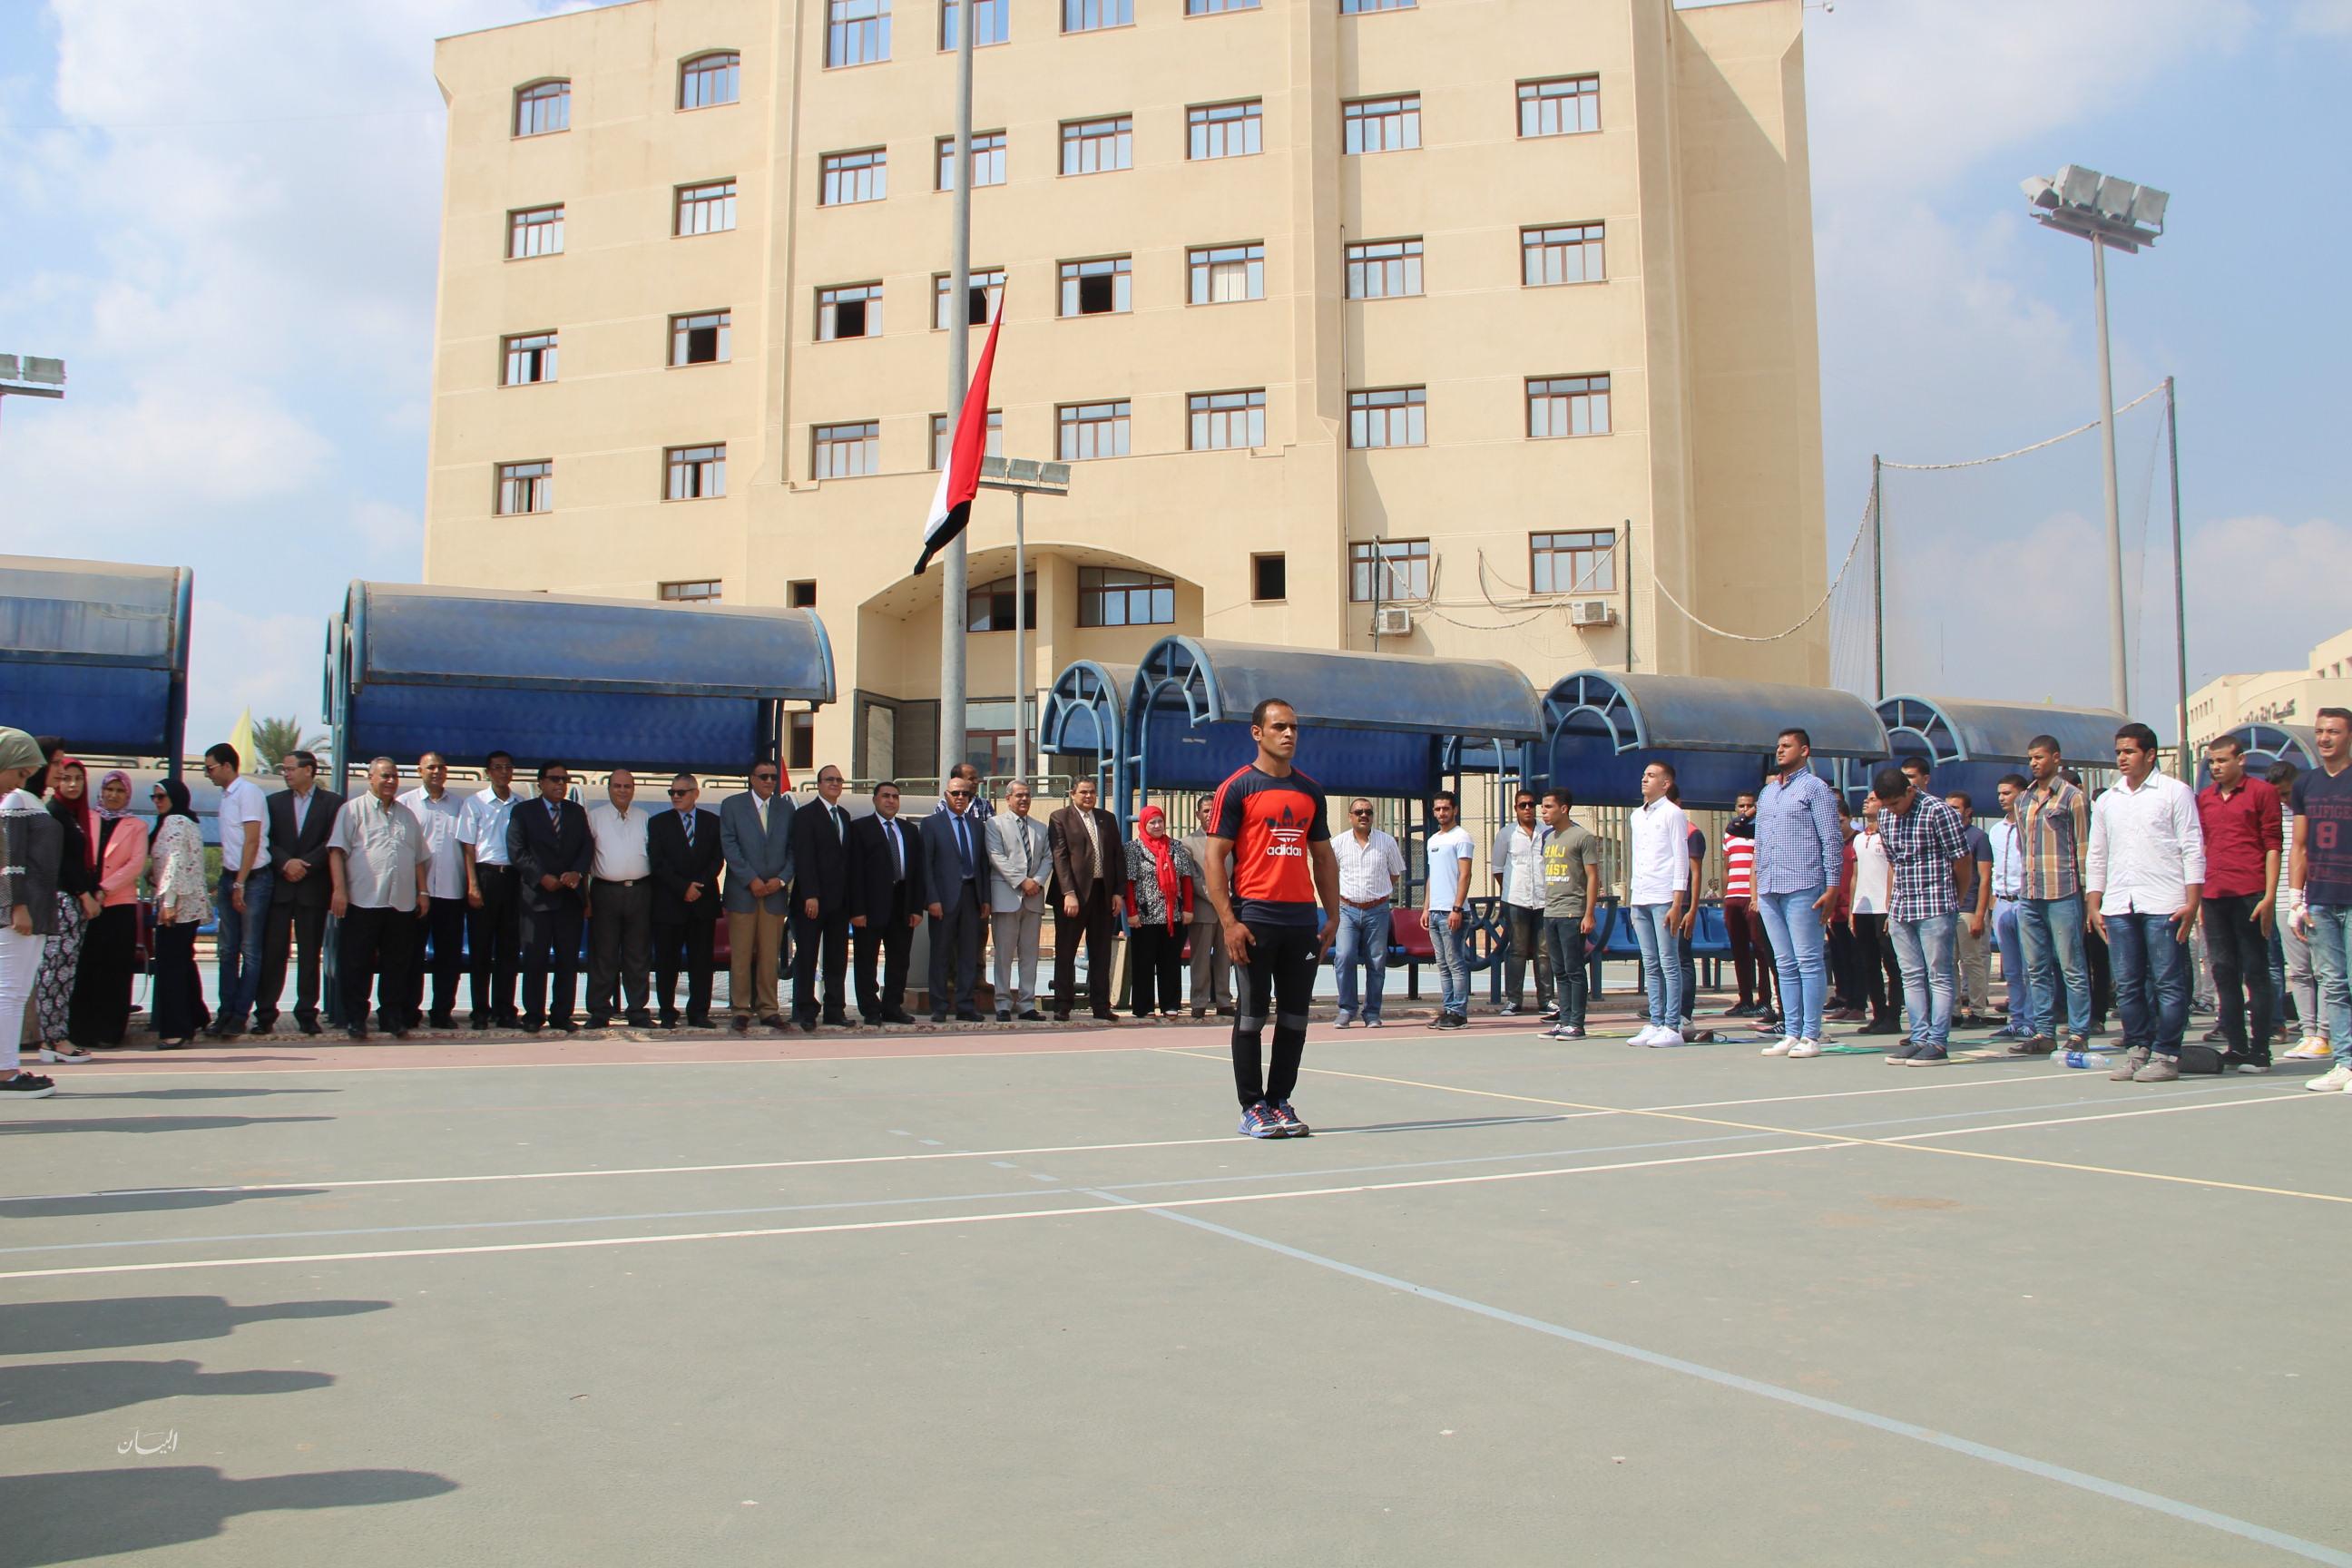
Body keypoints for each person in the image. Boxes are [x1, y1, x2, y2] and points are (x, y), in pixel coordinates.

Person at [1205, 698, 1339, 1139]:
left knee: (1296, 1018)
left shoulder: (1310, 791)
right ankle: (1252, 1107)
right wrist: (1229, 922)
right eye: (1279, 726)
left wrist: (1333, 914)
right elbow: (1214, 858)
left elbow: (1323, 858)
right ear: (1257, 733)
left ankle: (1280, 1101)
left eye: (1294, 727)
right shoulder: (1237, 788)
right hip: (1254, 918)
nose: (1289, 734)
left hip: (1300, 921)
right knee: (1252, 1016)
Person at [2087, 723, 2206, 1083]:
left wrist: (2193, 901)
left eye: (2130, 751)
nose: (2122, 758)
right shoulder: (2108, 800)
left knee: (2168, 982)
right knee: (2127, 984)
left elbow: (2192, 846)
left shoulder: (2174, 792)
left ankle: (2166, 1053)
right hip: (2119, 904)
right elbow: (2097, 853)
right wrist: (2094, 902)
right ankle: (2138, 1049)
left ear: (2150, 755)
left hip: (2164, 902)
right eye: (2118, 752)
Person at [1752, 727, 1845, 1058]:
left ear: (1804, 750)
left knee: (1808, 960)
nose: (1780, 750)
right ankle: (1791, 1031)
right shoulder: (1767, 793)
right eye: (1778, 746)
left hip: (1804, 882)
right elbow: (1759, 842)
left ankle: (1811, 1034)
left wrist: (1832, 885)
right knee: (1784, 962)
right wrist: (1757, 885)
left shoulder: (1815, 789)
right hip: (1770, 885)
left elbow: (1831, 838)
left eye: (1787, 746)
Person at [327, 757, 432, 1042]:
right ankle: (356, 1019)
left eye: (394, 776)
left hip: (401, 902)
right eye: (385, 775)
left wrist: (423, 892)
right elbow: (336, 852)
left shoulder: (407, 815)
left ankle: (392, 1017)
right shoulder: (352, 810)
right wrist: (339, 890)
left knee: (397, 963)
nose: (391, 781)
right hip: (363, 900)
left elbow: (419, 858)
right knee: (357, 962)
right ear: (370, 777)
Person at [1871, 766, 1969, 1065]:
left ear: (1910, 791)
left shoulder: (1938, 811)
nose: (1892, 810)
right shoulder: (1885, 816)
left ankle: (1938, 1041)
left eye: (1896, 803)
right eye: (1886, 805)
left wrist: (1957, 898)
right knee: (1910, 975)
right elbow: (1893, 863)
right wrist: (1890, 905)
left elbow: (1962, 860)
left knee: (1938, 974)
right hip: (1902, 905)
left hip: (1935, 903)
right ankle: (1918, 1037)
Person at [2197, 736, 2281, 1073]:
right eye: (2212, 762)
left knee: (2256, 971)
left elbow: (2272, 845)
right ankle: (2236, 1044)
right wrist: (2198, 898)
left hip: (2250, 893)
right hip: (2214, 894)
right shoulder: (2205, 798)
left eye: (2222, 760)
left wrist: (2269, 896)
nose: (2216, 767)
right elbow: (2202, 846)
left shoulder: (2262, 792)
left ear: (2240, 759)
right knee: (2222, 971)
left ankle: (2260, 1050)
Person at [2010, 736, 2094, 1056]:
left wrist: (2087, 895)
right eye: (2030, 757)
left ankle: (2079, 1032)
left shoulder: (2073, 797)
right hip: (2030, 892)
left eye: (2040, 757)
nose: (2034, 763)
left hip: (2063, 891)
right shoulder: (2023, 800)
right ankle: (2044, 1031)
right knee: (2036, 967)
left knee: (2072, 965)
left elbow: (2083, 846)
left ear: (2056, 758)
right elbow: (2022, 845)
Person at [62, 769, 148, 1054]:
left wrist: (104, 888)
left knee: (115, 968)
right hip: (86, 902)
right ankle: (81, 1030)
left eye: (120, 791)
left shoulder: (136, 826)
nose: (113, 795)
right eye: (109, 790)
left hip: (118, 904)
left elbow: (135, 865)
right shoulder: (86, 818)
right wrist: (87, 891)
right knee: (86, 966)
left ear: (127, 795)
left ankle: (110, 1031)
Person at [255, 749, 340, 1037]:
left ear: (309, 770)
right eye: (284, 769)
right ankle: (265, 1013)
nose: (286, 774)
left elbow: (332, 842)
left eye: (291, 769)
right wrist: (285, 863)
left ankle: (306, 1013)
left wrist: (306, 865)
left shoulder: (332, 803)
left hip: (313, 888)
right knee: (273, 953)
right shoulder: (273, 803)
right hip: (280, 888)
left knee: (309, 954)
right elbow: (266, 839)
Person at [2290, 706, 2352, 1094]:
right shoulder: (2306, 784)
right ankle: (2345, 1063)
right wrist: (2296, 899)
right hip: (2321, 898)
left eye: (2334, 731)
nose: (2325, 738)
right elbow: (2299, 845)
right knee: (2333, 984)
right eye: (2320, 731)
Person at [1, 730, 63, 1097]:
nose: (61, 771)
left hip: (35, 907)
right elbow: (11, 859)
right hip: (19, 911)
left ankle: (7, 1067)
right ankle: (5, 1071)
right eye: (55, 763)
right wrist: (18, 905)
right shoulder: (15, 802)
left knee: (16, 990)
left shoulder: (29, 801)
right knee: (9, 990)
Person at [509, 761, 592, 1034]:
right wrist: (541, 876)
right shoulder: (524, 811)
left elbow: (587, 847)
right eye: (554, 779)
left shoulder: (576, 811)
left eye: (564, 779)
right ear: (541, 782)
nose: (560, 784)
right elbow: (517, 851)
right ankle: (534, 1014)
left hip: (569, 898)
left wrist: (577, 872)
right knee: (535, 959)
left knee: (567, 960)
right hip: (537, 898)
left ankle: (561, 1014)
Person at [201, 742, 271, 1039]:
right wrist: (229, 880)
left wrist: (240, 882)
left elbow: (252, 841)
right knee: (227, 950)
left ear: (228, 765)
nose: (208, 774)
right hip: (230, 876)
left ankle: (240, 1014)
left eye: (210, 768)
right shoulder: (226, 796)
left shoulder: (248, 793)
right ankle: (225, 1011)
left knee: (250, 950)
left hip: (253, 879)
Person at [720, 760, 795, 1032]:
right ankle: (741, 1009)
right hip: (743, 892)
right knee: (740, 955)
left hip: (774, 894)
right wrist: (750, 879)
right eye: (764, 776)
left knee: (769, 956)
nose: (769, 781)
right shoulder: (732, 805)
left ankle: (768, 1009)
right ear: (752, 778)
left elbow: (793, 849)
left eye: (773, 777)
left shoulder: (786, 808)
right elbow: (729, 844)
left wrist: (781, 879)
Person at [33, 757, 99, 1059]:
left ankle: (57, 1036)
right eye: (66, 778)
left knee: (65, 971)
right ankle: (53, 1039)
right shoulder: (55, 813)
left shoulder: (74, 815)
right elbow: (61, 862)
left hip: (72, 900)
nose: (72, 785)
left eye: (78, 779)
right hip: (61, 900)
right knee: (55, 970)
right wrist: (84, 894)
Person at [397, 753, 467, 1031]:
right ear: (420, 771)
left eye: (441, 767)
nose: (436, 772)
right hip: (417, 894)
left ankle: (442, 1012)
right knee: (411, 956)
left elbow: (467, 848)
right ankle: (408, 1011)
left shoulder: (460, 806)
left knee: (448, 958)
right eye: (431, 767)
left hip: (452, 891)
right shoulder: (406, 804)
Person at [1047, 777, 1126, 1023]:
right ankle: (1063, 1005)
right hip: (1073, 895)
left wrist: (1118, 892)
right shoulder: (1060, 818)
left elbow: (1117, 855)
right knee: (1066, 951)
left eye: (1092, 792)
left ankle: (1101, 1005)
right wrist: (1068, 892)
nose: (1089, 796)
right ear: (1073, 794)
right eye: (1083, 792)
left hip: (1103, 893)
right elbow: (1060, 858)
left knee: (1101, 953)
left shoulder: (1107, 819)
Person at [648, 773, 723, 1029]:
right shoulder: (658, 823)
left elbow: (717, 859)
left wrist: (697, 885)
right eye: (672, 792)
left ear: (695, 793)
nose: (676, 797)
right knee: (667, 962)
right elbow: (658, 862)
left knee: (701, 962)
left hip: (702, 902)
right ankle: (668, 1013)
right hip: (670, 903)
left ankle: (699, 1012)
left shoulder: (712, 822)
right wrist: (683, 888)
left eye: (681, 792)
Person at [846, 781, 925, 1025]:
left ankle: (892, 1007)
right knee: (866, 960)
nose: (891, 801)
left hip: (902, 904)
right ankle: (870, 1009)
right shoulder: (860, 828)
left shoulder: (909, 831)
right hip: (870, 905)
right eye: (885, 796)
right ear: (875, 800)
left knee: (899, 960)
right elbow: (854, 872)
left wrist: (916, 908)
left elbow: (917, 872)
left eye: (895, 796)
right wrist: (857, 910)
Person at [583, 769, 655, 1029]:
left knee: (638, 955)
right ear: (609, 788)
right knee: (604, 954)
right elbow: (585, 859)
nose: (622, 790)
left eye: (627, 786)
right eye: (617, 786)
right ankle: (600, 1011)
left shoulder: (644, 817)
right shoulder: (594, 817)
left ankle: (637, 1010)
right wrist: (586, 898)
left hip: (639, 892)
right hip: (605, 892)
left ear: (634, 789)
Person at [458, 750, 525, 1031]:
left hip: (512, 878)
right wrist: (472, 884)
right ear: (488, 772)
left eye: (508, 767)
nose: (503, 772)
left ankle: (504, 1008)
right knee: (481, 949)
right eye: (497, 768)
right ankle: (480, 1010)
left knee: (509, 949)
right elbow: (468, 847)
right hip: (485, 876)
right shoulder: (475, 803)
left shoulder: (521, 804)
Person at [1625, 761, 1690, 1048]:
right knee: (1650, 963)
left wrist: (1677, 903)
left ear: (1665, 784)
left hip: (1664, 896)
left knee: (1668, 962)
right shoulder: (1636, 816)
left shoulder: (1673, 814)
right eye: (1644, 774)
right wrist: (1632, 897)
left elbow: (1681, 858)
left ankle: (1672, 1026)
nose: (1644, 779)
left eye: (1651, 776)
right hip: (1640, 896)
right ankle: (1655, 1021)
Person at [789, 765, 856, 1031]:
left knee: (837, 958)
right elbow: (804, 857)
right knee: (807, 957)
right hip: (811, 901)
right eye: (830, 779)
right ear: (819, 784)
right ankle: (805, 1010)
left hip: (839, 901)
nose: (835, 783)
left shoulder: (844, 816)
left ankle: (834, 1010)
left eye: (839, 780)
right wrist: (811, 894)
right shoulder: (805, 815)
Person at [2273, 760, 2330, 1062]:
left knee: (2325, 972)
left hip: (2316, 898)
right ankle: (2309, 1032)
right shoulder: (2275, 815)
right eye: (2279, 795)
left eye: (2287, 793)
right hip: (2285, 901)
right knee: (2299, 972)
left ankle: (2325, 1033)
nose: (2285, 800)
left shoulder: (2315, 810)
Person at [146, 778, 210, 1047]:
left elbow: (175, 861)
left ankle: (177, 1029)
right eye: (154, 797)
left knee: (170, 966)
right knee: (183, 962)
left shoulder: (174, 822)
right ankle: (195, 1016)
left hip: (178, 906)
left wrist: (169, 902)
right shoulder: (187, 821)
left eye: (162, 797)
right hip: (189, 905)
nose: (157, 802)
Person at [1332, 796, 1406, 1027]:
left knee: (1376, 962)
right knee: (1344, 957)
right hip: (1347, 910)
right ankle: (1347, 1009)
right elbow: (1329, 872)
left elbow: (1395, 873)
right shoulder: (1338, 843)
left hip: (1378, 911)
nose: (1364, 815)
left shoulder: (1387, 842)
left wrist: (1378, 893)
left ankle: (1372, 1013)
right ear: (1350, 817)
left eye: (1368, 812)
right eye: (1359, 812)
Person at [1537, 788, 1602, 1041]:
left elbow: (1593, 876)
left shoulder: (1582, 837)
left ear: (1563, 809)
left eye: (1549, 807)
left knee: (1574, 969)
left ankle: (1576, 1023)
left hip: (1572, 912)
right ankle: (1564, 1020)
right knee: (1559, 970)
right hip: (1550, 912)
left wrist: (1589, 914)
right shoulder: (1548, 838)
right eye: (1542, 807)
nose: (1543, 812)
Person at [922, 774, 987, 1023]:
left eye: (965, 794)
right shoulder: (931, 824)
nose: (960, 797)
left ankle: (966, 1005)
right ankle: (939, 1006)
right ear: (946, 795)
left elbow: (982, 864)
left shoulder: (976, 825)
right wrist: (932, 899)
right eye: (956, 793)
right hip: (943, 899)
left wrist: (985, 899)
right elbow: (926, 865)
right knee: (940, 953)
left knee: (969, 954)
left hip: (971, 896)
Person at [983, 780, 1050, 1023]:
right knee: (1003, 954)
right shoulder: (995, 824)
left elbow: (1048, 858)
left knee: (1030, 955)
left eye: (1027, 795)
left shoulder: (1041, 828)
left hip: (1033, 898)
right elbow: (996, 856)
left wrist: (1037, 882)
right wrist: (1022, 881)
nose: (1024, 799)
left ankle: (1027, 1004)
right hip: (1007, 897)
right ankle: (1002, 1003)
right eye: (1019, 795)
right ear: (1008, 798)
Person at [1122, 806, 1198, 1019]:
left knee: (1170, 962)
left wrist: (1188, 908)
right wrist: (1131, 912)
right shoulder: (1133, 849)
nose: (1157, 826)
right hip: (1144, 916)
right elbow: (1129, 883)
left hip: (1173, 915)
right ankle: (1143, 1006)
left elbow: (1186, 879)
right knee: (1143, 963)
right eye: (1152, 822)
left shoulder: (1176, 847)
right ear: (1143, 825)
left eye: (1160, 822)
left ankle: (1170, 1004)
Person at [1986, 773, 2041, 1043]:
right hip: (2002, 902)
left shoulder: (2031, 826)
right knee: (2011, 968)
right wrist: (1992, 902)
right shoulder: (1996, 830)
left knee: (2031, 967)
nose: (2002, 798)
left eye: (2007, 793)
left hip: (2025, 901)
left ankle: (2032, 1020)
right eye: (2000, 793)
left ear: (2022, 794)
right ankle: (2017, 1019)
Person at [1719, 792, 1776, 1023]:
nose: (1745, 809)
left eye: (1749, 805)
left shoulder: (1759, 831)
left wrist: (1758, 896)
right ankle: (1745, 999)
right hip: (1733, 896)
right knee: (1739, 950)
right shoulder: (1730, 834)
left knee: (1761, 949)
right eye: (1741, 805)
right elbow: (1727, 866)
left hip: (1753, 897)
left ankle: (1765, 1000)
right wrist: (1725, 895)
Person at [1491, 790, 1547, 1017]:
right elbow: (1498, 868)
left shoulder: (1547, 832)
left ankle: (1546, 1000)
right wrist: (1510, 889)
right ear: (1515, 808)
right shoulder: (1506, 834)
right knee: (1517, 951)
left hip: (1543, 899)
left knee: (1545, 952)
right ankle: (1514, 1000)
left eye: (1531, 804)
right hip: (1515, 900)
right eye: (1522, 805)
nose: (1527, 809)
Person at [1423, 790, 1475, 1030]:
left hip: (1453, 912)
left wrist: (1457, 908)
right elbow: (1432, 877)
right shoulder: (1433, 840)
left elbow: (1465, 875)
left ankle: (1459, 1013)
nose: (1442, 813)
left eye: (1446, 808)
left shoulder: (1462, 837)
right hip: (1435, 911)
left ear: (1455, 810)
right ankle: (1448, 1009)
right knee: (1443, 964)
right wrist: (1426, 908)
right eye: (1438, 809)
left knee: (1455, 963)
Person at [1181, 799, 1234, 1019]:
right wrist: (1217, 896)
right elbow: (1192, 877)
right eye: (1205, 810)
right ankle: (1199, 1002)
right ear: (1197, 814)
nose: (1210, 814)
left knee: (1225, 958)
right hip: (1203, 908)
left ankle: (1224, 1001)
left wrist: (1228, 899)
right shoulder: (1188, 843)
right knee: (1200, 959)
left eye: (1214, 810)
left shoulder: (1230, 839)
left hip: (1227, 912)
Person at [1945, 792, 1995, 1027]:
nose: (1951, 812)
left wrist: (1979, 914)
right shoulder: (1944, 835)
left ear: (1968, 811)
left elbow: (1985, 878)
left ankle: (1977, 1010)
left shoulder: (1978, 837)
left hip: (1969, 908)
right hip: (1948, 907)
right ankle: (1953, 1011)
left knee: (1972, 961)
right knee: (1949, 962)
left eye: (1956, 808)